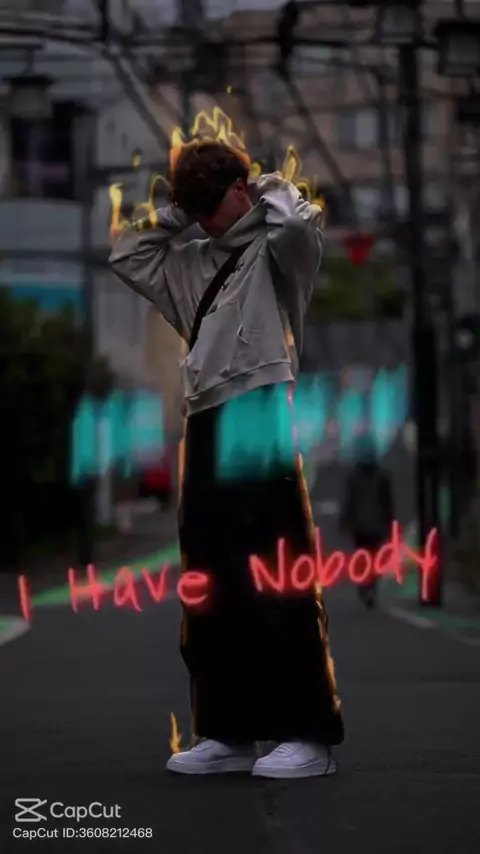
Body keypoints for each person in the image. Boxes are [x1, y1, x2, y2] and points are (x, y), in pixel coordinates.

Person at [109, 140, 344, 778]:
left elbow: (294, 220)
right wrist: (179, 210)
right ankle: (228, 732)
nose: (207, 222)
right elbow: (126, 253)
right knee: (209, 583)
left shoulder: (281, 249)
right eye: (197, 212)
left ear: (241, 190)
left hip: (262, 408)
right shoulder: (189, 262)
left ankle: (308, 736)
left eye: (212, 207)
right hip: (205, 419)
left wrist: (259, 184)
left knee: (278, 576)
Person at [340, 435, 395, 608]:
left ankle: (365, 586)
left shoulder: (354, 476)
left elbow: (349, 502)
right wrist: (390, 522)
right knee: (373, 556)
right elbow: (387, 503)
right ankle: (370, 587)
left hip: (361, 525)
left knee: (363, 556)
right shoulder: (382, 476)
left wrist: (345, 521)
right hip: (376, 525)